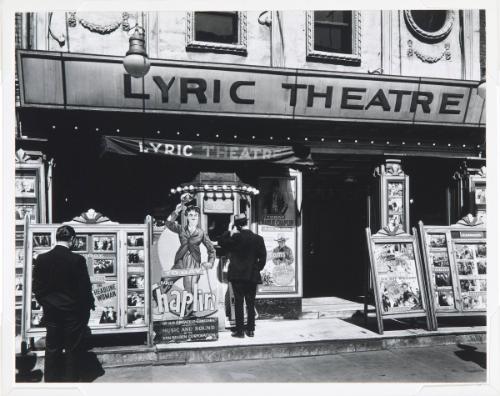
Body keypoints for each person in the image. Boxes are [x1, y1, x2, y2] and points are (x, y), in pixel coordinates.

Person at [32, 225, 95, 382]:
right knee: (73, 349)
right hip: (73, 313)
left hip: (51, 312)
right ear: (72, 240)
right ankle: (70, 384)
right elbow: (85, 289)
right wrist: (86, 309)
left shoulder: (42, 259)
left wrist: (46, 303)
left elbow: (37, 288)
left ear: (56, 238)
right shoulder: (77, 260)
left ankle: (52, 384)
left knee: (52, 348)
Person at [219, 213, 267, 338]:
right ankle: (250, 330)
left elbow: (222, 242)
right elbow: (263, 259)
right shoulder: (258, 238)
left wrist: (229, 230)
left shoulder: (235, 238)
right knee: (250, 303)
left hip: (237, 276)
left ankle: (240, 331)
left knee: (239, 303)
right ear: (247, 223)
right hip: (252, 275)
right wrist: (256, 268)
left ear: (237, 226)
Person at [163, 202, 216, 315]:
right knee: (165, 281)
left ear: (198, 217)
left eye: (195, 215)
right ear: (187, 216)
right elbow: (168, 223)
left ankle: (188, 315)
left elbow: (211, 250)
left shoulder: (201, 233)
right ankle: (158, 302)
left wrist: (210, 263)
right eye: (191, 215)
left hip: (193, 262)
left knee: (190, 290)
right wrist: (176, 212)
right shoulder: (181, 229)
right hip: (180, 261)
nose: (193, 217)